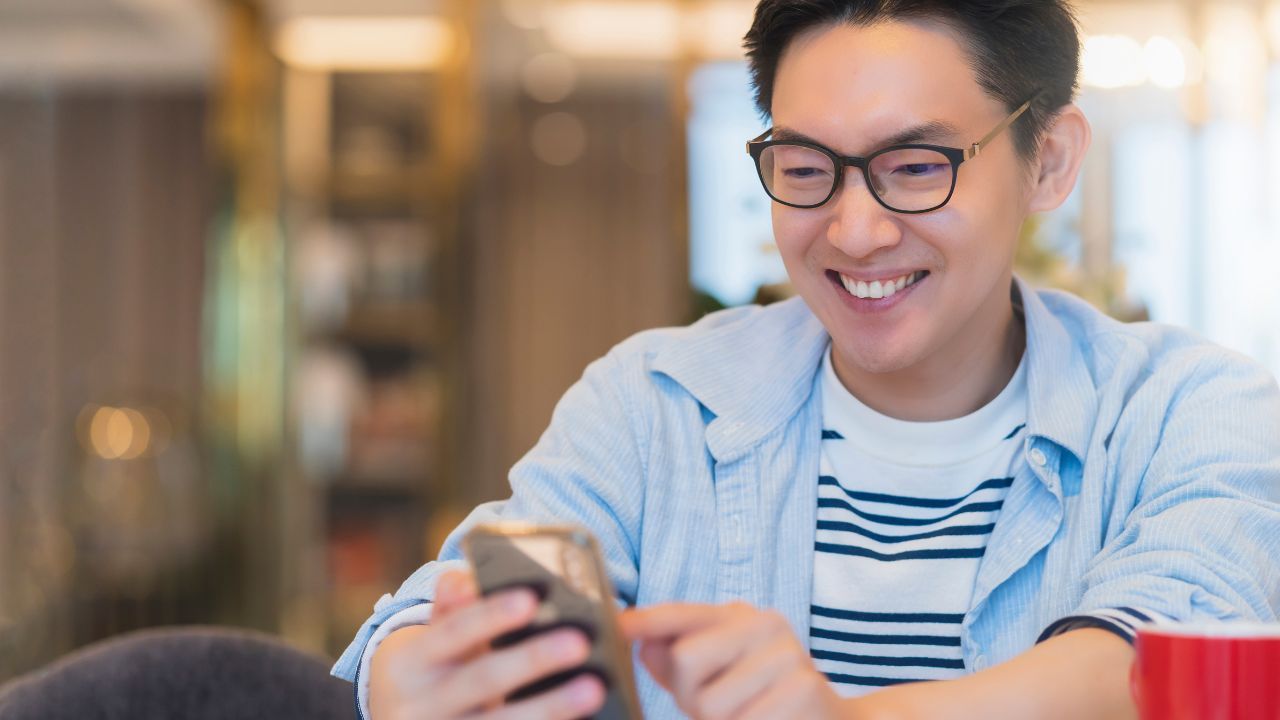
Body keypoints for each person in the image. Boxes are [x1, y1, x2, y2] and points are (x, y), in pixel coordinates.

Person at [332, 1, 1280, 718]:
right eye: (804, 168)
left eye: (915, 167)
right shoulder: (655, 402)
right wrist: (416, 670)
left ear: (1050, 161)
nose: (855, 230)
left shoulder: (1190, 410)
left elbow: (1149, 659)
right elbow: (426, 613)